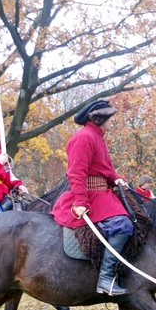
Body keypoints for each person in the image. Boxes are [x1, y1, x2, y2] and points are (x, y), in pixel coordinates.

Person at [51, 100, 133, 296]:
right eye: (110, 117)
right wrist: (81, 201)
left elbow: (105, 169)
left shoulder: (98, 137)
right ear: (100, 118)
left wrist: (117, 179)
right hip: (90, 195)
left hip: (103, 193)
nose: (112, 120)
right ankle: (105, 279)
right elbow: (76, 173)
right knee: (123, 225)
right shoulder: (84, 137)